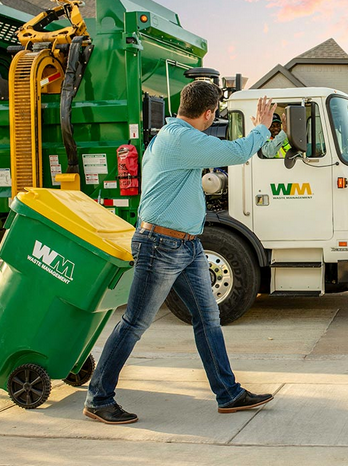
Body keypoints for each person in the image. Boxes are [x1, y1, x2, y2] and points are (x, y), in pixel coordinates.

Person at [83, 81, 276, 424]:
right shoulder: (181, 139)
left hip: (186, 246)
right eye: (213, 114)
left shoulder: (173, 136)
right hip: (161, 245)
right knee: (134, 323)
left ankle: (228, 394)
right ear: (208, 113)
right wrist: (261, 127)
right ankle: (99, 398)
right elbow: (235, 153)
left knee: (208, 319)